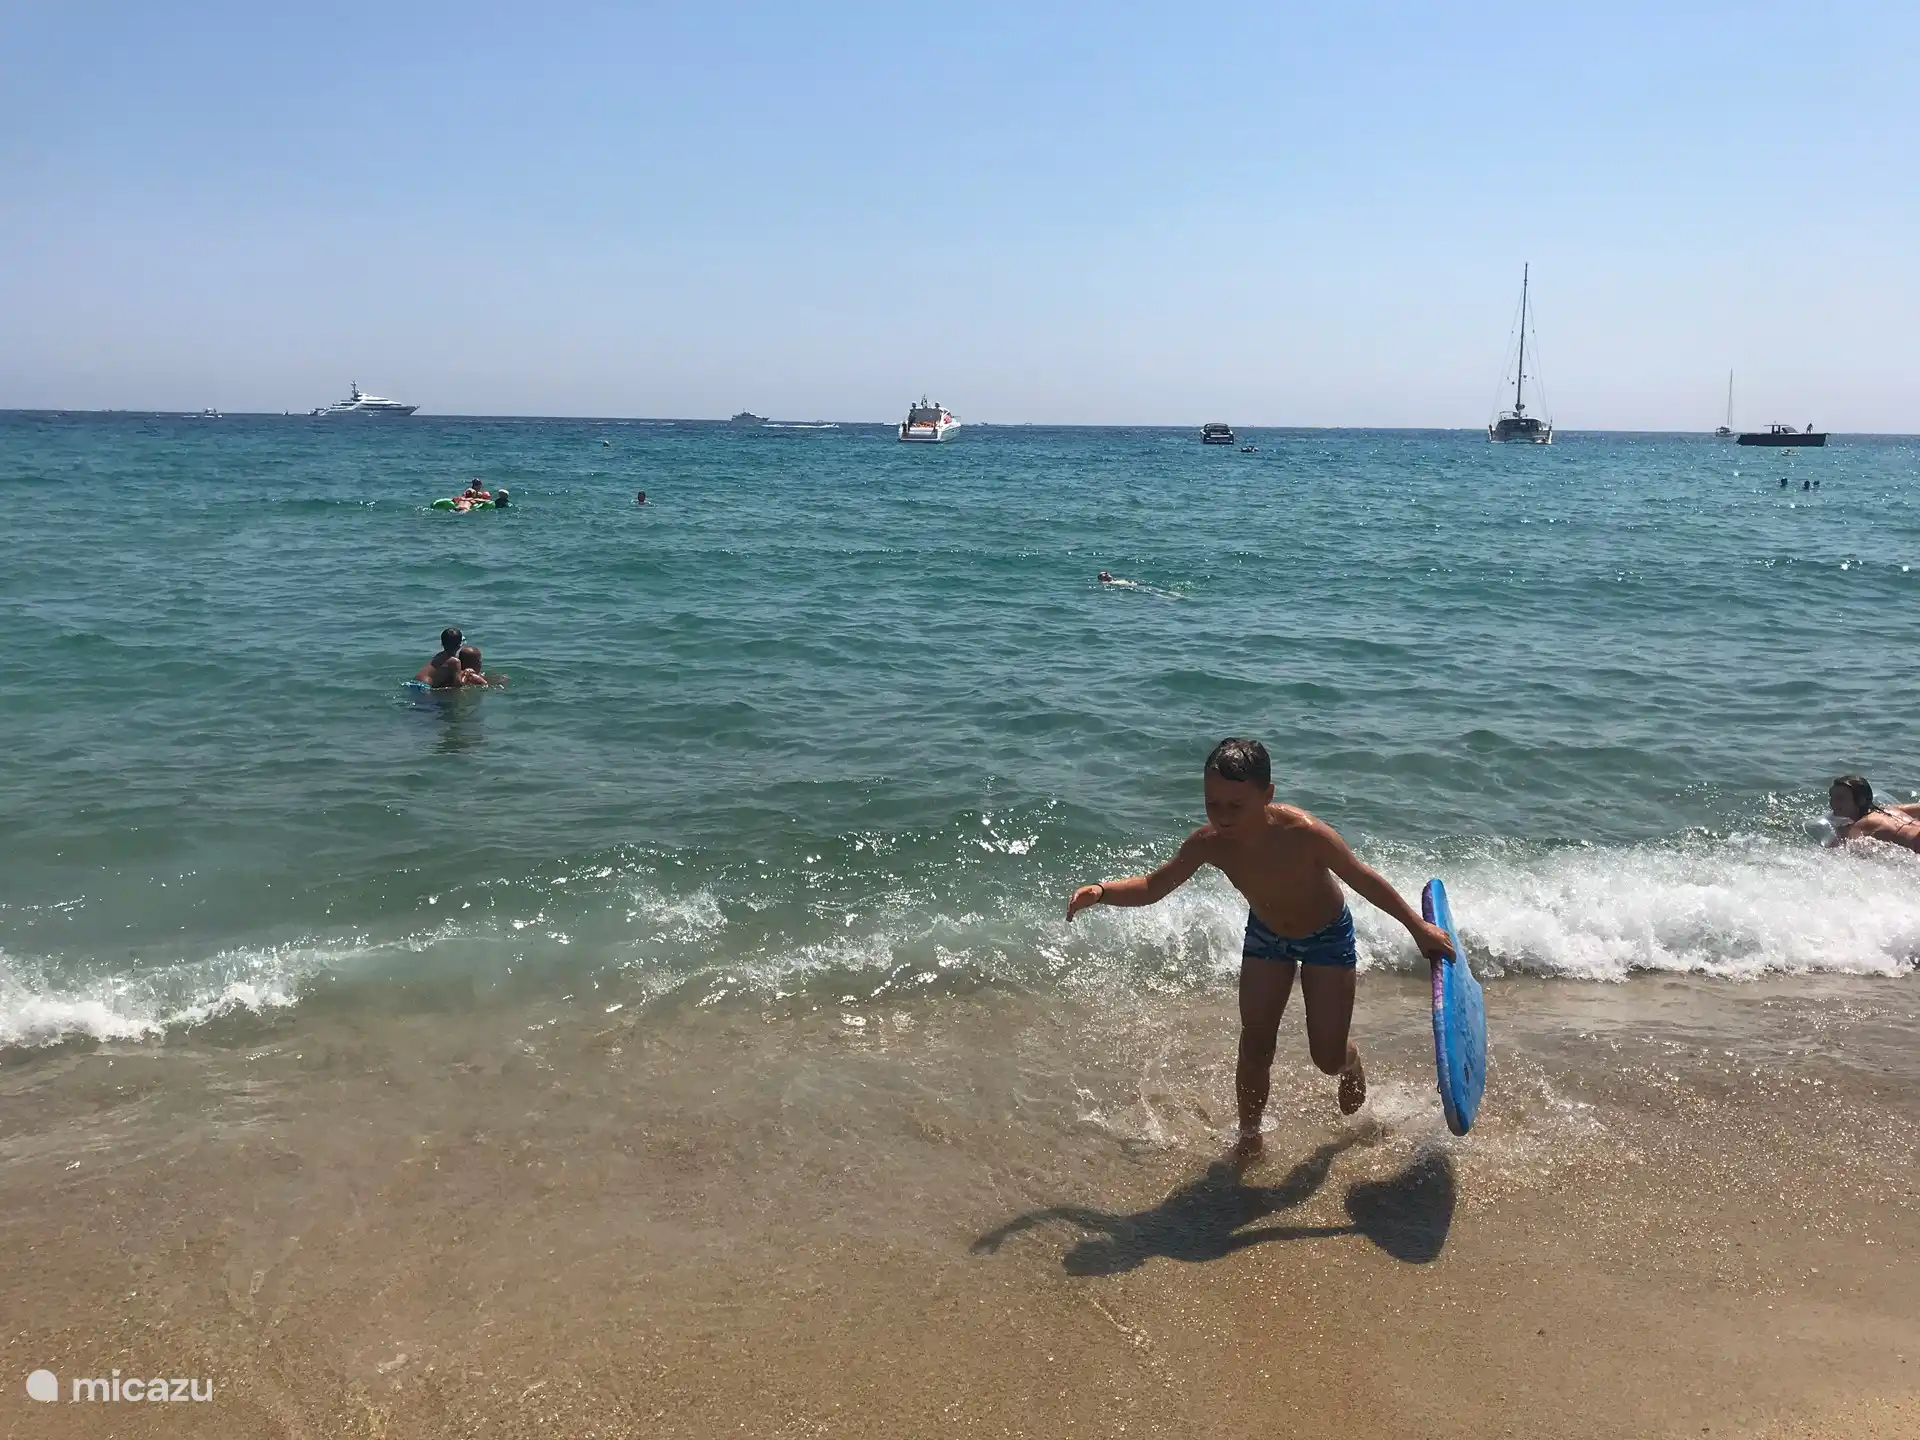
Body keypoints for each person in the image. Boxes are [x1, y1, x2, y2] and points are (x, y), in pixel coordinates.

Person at [1066, 738, 1453, 1165]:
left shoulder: (1305, 834)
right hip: (1266, 937)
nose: (1222, 816)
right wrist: (1101, 892)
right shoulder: (1208, 844)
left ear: (1267, 795)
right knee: (1255, 1044)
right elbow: (1155, 886)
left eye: (1236, 805)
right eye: (1213, 803)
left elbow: (1363, 879)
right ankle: (1250, 1137)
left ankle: (1350, 1062)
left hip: (1327, 937)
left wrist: (1418, 929)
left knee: (1326, 1057)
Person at [1826, 775, 1920, 853]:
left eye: (1840, 798)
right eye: (1831, 797)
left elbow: (1831, 852)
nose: (1832, 803)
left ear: (1860, 801)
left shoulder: (1860, 825)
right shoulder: (1889, 809)